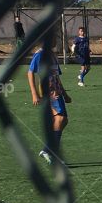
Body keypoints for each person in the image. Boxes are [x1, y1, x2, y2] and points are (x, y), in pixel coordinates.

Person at [27, 35, 71, 164]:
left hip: (57, 93)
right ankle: (51, 151)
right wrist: (34, 94)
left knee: (63, 120)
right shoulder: (40, 54)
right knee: (60, 119)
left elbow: (56, 77)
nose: (55, 40)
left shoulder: (52, 55)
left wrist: (65, 94)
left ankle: (47, 149)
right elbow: (30, 73)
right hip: (49, 93)